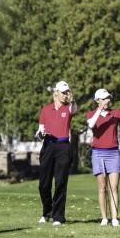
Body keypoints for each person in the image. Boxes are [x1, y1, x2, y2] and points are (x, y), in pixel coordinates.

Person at [86, 89, 120, 227]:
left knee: (114, 187)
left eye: (108, 98)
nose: (107, 100)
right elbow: (91, 124)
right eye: (104, 98)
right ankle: (104, 218)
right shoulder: (91, 114)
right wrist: (99, 109)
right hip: (98, 153)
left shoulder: (115, 113)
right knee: (102, 188)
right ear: (97, 101)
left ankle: (114, 219)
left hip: (113, 153)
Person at [36, 80, 76, 226]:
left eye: (67, 92)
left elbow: (75, 109)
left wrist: (73, 99)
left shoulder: (69, 108)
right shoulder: (46, 109)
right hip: (48, 146)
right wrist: (41, 134)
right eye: (63, 92)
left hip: (63, 147)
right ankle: (47, 212)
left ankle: (58, 217)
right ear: (56, 93)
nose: (66, 95)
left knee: (60, 182)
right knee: (43, 184)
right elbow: (40, 130)